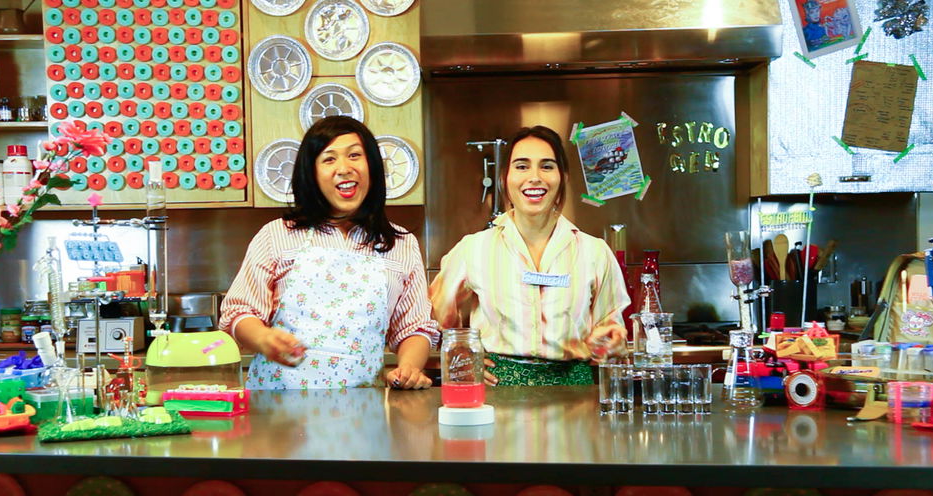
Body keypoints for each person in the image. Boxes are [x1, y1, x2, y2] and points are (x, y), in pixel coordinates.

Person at [219, 116, 439, 390]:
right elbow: (239, 311)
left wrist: (409, 367)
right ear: (311, 174)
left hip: (360, 413)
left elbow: (415, 328)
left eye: (355, 155)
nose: (344, 168)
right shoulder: (276, 235)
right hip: (280, 416)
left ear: (372, 166)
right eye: (329, 159)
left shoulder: (401, 244)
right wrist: (263, 338)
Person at [429, 125, 630, 386]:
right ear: (504, 178)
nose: (534, 177)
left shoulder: (594, 252)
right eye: (522, 166)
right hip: (500, 391)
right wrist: (461, 352)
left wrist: (611, 339)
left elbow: (610, 323)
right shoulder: (473, 249)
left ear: (563, 178)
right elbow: (436, 312)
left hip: (574, 396)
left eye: (547, 166)